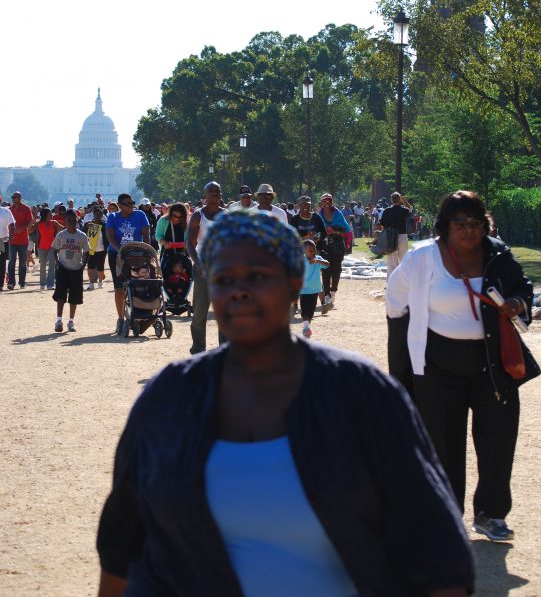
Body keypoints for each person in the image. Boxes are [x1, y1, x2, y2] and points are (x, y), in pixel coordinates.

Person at [97, 210, 474, 596]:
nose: (239, 290)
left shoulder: (361, 394)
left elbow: (434, 543)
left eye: (258, 276)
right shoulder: (169, 398)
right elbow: (121, 544)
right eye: (225, 279)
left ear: (295, 283)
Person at [386, 190, 541, 543]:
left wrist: (518, 302)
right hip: (438, 364)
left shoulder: (498, 254)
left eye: (475, 222)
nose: (468, 230)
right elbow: (396, 298)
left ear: (484, 225)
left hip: (492, 363)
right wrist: (404, 351)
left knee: (498, 439)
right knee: (443, 442)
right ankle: (446, 514)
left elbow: (523, 287)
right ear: (445, 226)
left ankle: (491, 514)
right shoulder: (423, 257)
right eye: (460, 223)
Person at [186, 182, 225, 354]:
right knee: (200, 314)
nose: (215, 194)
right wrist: (198, 263)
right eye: (211, 191)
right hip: (203, 269)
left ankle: (224, 352)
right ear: (205, 195)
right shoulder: (198, 216)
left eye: (217, 191)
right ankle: (198, 351)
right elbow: (190, 244)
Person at [106, 194, 150, 335]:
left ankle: (138, 315)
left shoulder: (140, 215)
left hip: (137, 254)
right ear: (120, 205)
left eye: (132, 203)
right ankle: (120, 318)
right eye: (127, 203)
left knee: (138, 284)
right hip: (117, 254)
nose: (131, 206)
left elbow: (146, 233)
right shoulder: (112, 217)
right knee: (119, 287)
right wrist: (120, 251)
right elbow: (111, 237)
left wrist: (146, 249)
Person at [51, 209, 89, 333]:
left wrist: (82, 266)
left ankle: (71, 321)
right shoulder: (61, 235)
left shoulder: (82, 236)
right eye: (69, 220)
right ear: (65, 221)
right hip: (63, 269)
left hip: (76, 270)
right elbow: (54, 250)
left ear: (77, 221)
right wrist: (58, 263)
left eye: (74, 220)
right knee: (61, 296)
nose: (71, 222)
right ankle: (58, 320)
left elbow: (87, 252)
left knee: (74, 297)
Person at [317, 193, 350, 311]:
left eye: (328, 201)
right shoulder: (318, 215)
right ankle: (326, 296)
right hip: (325, 246)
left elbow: (346, 231)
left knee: (336, 270)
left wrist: (334, 231)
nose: (326, 203)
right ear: (321, 203)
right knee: (325, 270)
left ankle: (333, 291)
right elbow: (316, 231)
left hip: (337, 246)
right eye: (324, 201)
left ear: (331, 202)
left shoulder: (338, 214)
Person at [299, 239, 329, 338]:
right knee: (305, 311)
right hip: (304, 290)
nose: (313, 252)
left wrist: (317, 261)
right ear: (304, 251)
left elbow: (328, 264)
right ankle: (306, 328)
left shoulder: (318, 259)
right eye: (310, 251)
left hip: (315, 290)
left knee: (311, 312)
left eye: (314, 250)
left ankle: (306, 327)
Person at [379, 191, 412, 278]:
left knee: (391, 263)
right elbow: (410, 208)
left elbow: (382, 223)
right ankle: (403, 283)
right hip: (402, 236)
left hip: (390, 236)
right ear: (399, 200)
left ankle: (390, 284)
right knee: (403, 260)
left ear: (391, 200)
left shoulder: (387, 210)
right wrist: (403, 199)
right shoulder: (404, 210)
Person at [7, 192, 33, 290]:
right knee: (11, 262)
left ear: (20, 198)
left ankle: (22, 282)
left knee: (22, 263)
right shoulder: (9, 210)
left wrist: (22, 227)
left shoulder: (26, 208)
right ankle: (11, 283)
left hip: (23, 241)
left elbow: (29, 221)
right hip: (12, 240)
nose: (14, 199)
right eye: (13, 197)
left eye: (16, 197)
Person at [32, 208, 63, 290]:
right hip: (41, 247)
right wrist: (32, 220)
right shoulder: (38, 223)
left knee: (52, 265)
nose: (51, 215)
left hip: (52, 247)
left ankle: (50, 284)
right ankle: (42, 284)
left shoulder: (54, 223)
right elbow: (29, 230)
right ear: (45, 215)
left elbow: (62, 229)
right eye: (50, 214)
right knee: (43, 266)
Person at [84, 206, 108, 289]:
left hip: (102, 249)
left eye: (99, 214)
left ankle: (100, 282)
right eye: (96, 214)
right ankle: (91, 283)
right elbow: (84, 235)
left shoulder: (105, 225)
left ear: (102, 215)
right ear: (93, 215)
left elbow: (108, 236)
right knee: (90, 266)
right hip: (91, 249)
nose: (97, 215)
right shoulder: (89, 224)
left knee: (100, 266)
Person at [0, 202, 16, 291]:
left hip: (2, 240)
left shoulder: (5, 211)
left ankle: (0, 284)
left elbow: (12, 224)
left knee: (2, 262)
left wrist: (11, 235)